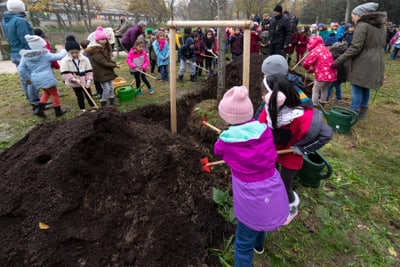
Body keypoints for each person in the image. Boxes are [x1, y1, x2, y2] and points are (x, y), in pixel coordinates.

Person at [214, 85, 289, 266]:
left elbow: (217, 152)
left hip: (250, 194)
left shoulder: (226, 140)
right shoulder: (264, 130)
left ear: (227, 117)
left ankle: (250, 249)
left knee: (242, 244)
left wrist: (225, 136)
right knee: (262, 216)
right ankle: (259, 245)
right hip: (272, 185)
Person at [257, 74, 333, 225]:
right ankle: (275, 198)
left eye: (264, 92)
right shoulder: (270, 109)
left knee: (286, 185)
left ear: (276, 96)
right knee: (272, 177)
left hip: (291, 153)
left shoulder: (300, 116)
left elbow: (326, 134)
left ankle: (291, 207)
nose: (262, 96)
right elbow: (259, 126)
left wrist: (302, 149)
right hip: (273, 150)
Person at [332, 2, 386, 119]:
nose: (352, 18)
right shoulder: (381, 25)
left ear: (360, 15)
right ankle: (362, 113)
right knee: (365, 86)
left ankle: (353, 113)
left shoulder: (362, 25)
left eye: (353, 16)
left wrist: (337, 61)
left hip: (364, 61)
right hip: (378, 60)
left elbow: (355, 47)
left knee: (356, 87)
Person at [2, 0, 39, 112]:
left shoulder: (5, 20)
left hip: (14, 53)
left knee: (24, 78)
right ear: (20, 8)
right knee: (32, 78)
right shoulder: (20, 21)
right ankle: (36, 103)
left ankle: (31, 99)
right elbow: (26, 39)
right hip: (25, 53)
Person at [18, 34, 67, 118]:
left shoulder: (25, 56)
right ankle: (58, 111)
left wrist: (26, 79)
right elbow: (58, 57)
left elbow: (21, 69)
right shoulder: (45, 54)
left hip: (35, 78)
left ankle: (38, 109)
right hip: (47, 77)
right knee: (54, 94)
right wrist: (64, 50)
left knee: (46, 92)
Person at [60, 35, 96, 114]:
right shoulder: (65, 61)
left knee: (88, 94)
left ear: (79, 51)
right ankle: (82, 109)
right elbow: (65, 73)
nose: (74, 54)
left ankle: (93, 106)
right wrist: (73, 79)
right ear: (68, 52)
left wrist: (89, 81)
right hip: (75, 83)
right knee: (79, 96)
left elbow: (89, 70)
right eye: (72, 53)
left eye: (76, 52)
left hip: (85, 81)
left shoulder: (84, 59)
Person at [85, 26, 121, 107]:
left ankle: (112, 101)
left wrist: (114, 63)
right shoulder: (95, 50)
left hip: (106, 71)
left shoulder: (103, 48)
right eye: (102, 39)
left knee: (111, 87)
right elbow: (103, 62)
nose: (104, 41)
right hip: (100, 72)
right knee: (107, 88)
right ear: (97, 40)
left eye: (105, 39)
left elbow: (107, 59)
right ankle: (103, 102)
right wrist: (114, 65)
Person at [302, 36, 337, 106]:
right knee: (324, 88)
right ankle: (323, 103)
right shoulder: (325, 49)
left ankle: (314, 105)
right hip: (332, 74)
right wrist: (312, 69)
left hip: (322, 74)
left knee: (315, 89)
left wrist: (307, 68)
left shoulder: (316, 50)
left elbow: (306, 62)